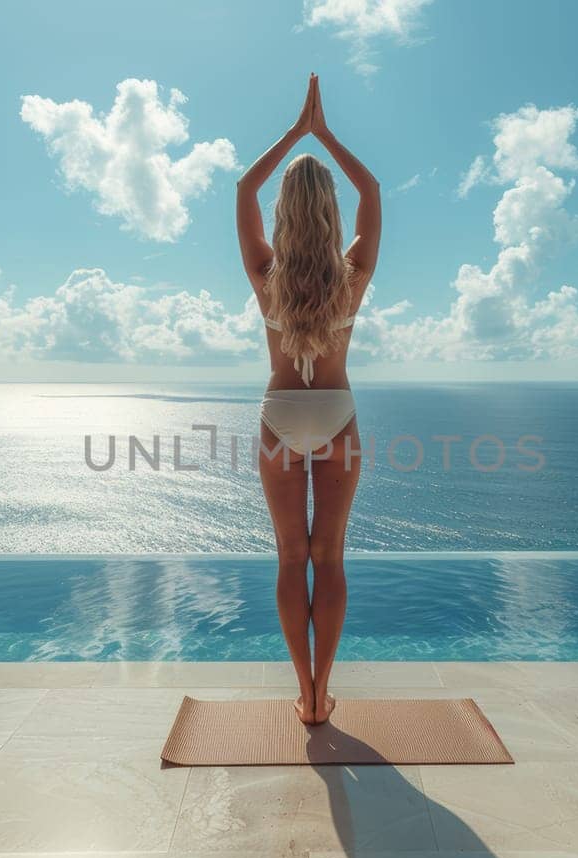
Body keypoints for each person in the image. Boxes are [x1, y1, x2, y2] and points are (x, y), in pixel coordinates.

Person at [236, 74, 381, 725]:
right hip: (337, 415)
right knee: (330, 555)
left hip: (279, 416)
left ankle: (304, 694)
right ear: (328, 208)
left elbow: (243, 188)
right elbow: (372, 190)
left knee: (291, 557)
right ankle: (325, 690)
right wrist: (326, 135)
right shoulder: (353, 275)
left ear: (285, 211)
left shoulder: (266, 273)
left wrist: (296, 132)